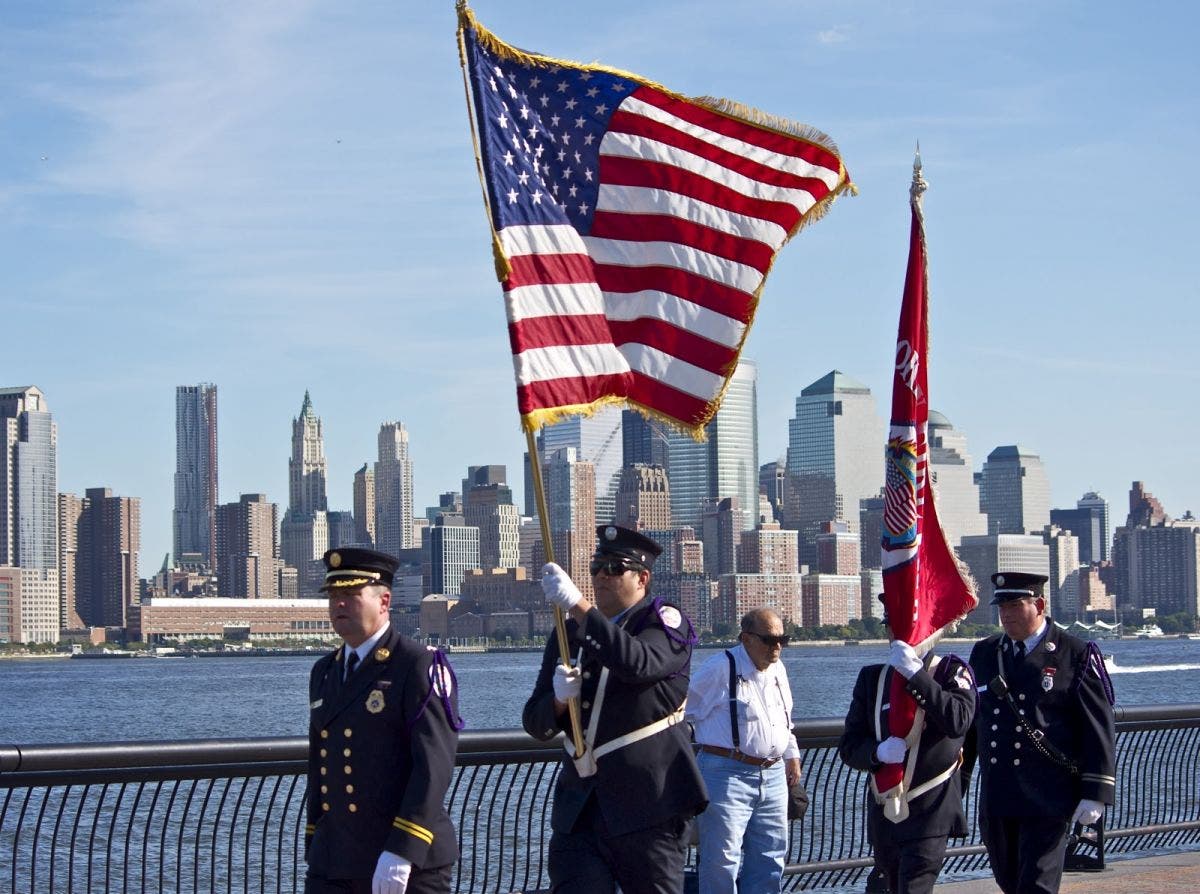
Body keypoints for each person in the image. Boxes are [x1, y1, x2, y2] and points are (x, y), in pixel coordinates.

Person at [523, 524, 708, 894]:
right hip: (580, 810)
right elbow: (534, 722)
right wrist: (559, 701)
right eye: (596, 567)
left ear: (642, 577)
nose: (601, 576)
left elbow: (637, 662)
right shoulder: (568, 634)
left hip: (648, 808)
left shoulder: (663, 622)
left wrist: (578, 605)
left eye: (614, 567)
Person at [305, 547, 464, 894]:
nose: (339, 605)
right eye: (333, 595)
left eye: (350, 594)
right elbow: (319, 764)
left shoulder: (417, 665)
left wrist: (402, 851)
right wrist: (315, 841)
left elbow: (433, 767)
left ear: (384, 601)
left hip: (404, 860)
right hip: (336, 860)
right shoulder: (325, 672)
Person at [963, 571, 1116, 894]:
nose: (1006, 614)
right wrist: (955, 787)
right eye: (1001, 607)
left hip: (1048, 797)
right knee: (1009, 881)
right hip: (998, 797)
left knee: (1036, 887)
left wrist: (1096, 792)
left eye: (1015, 605)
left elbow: (1097, 726)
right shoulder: (986, 653)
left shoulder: (1074, 653)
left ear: (1040, 604)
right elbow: (972, 728)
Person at [838, 597, 976, 894]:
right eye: (891, 626)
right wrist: (876, 752)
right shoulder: (872, 679)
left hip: (930, 809)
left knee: (913, 888)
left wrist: (917, 676)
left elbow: (958, 721)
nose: (895, 634)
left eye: (904, 626)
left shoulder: (950, 671)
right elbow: (850, 746)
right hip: (885, 810)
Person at [686, 608, 802, 893]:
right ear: (746, 638)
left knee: (771, 856)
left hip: (773, 774)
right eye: (769, 640)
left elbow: (784, 717)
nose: (777, 647)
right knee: (721, 860)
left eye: (782, 640)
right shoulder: (719, 668)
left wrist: (791, 754)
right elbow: (681, 711)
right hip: (725, 773)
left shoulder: (778, 669)